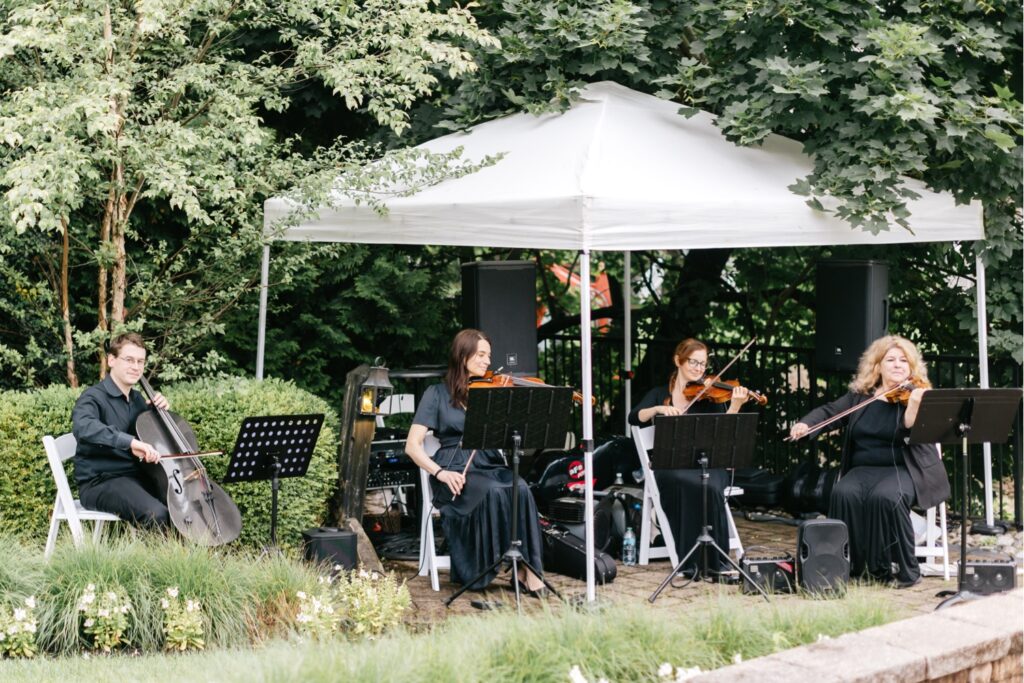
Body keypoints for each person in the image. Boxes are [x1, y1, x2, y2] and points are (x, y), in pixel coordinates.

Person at [789, 335, 950, 588]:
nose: (898, 365)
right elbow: (830, 412)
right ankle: (851, 566)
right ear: (878, 366)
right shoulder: (860, 397)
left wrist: (915, 405)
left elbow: (908, 430)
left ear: (911, 367)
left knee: (886, 497)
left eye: (903, 361)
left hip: (906, 469)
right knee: (843, 492)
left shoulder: (917, 396)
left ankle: (906, 571)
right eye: (891, 360)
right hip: (863, 469)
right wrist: (806, 424)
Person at [405, 329, 547, 594]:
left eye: (488, 356)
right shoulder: (436, 394)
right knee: (493, 491)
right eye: (481, 355)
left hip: (490, 464)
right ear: (462, 355)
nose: (487, 361)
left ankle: (528, 570)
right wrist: (441, 474)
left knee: (522, 487)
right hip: (455, 470)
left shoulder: (491, 393)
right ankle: (490, 568)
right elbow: (412, 446)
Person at [628, 338, 755, 574]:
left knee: (711, 486)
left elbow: (723, 435)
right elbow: (634, 417)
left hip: (708, 462)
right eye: (693, 362)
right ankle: (691, 559)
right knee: (685, 483)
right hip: (673, 465)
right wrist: (658, 409)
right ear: (678, 361)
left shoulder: (708, 396)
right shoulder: (658, 394)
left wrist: (735, 406)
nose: (699, 369)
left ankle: (716, 560)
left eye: (703, 364)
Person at [72, 333, 171, 528]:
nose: (136, 367)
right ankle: (157, 559)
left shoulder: (138, 400)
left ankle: (183, 557)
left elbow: (152, 437)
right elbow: (84, 427)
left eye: (140, 361)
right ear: (111, 360)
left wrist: (159, 413)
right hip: (100, 482)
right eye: (129, 360)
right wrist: (130, 442)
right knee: (156, 514)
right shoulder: (92, 397)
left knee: (181, 507)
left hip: (134, 477)